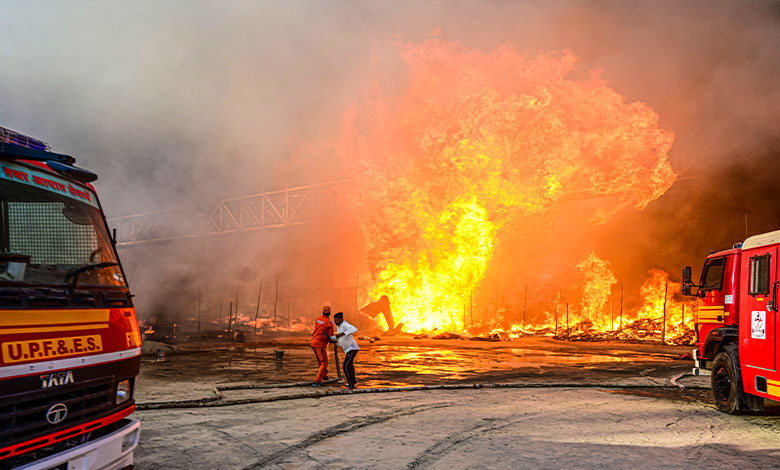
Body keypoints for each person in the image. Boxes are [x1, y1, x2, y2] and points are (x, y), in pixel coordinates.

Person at [331, 311, 359, 389]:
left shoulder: (345, 325)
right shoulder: (339, 326)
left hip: (352, 348)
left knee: (346, 366)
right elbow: (340, 338)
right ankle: (353, 383)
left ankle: (351, 385)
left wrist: (343, 334)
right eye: (334, 320)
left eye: (337, 320)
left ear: (341, 319)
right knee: (349, 366)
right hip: (348, 349)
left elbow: (354, 329)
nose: (335, 322)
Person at [310, 305, 334, 386]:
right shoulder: (329, 323)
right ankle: (317, 380)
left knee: (321, 361)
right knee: (323, 363)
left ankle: (324, 375)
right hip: (320, 344)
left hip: (313, 342)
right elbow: (330, 337)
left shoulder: (318, 319)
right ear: (330, 312)